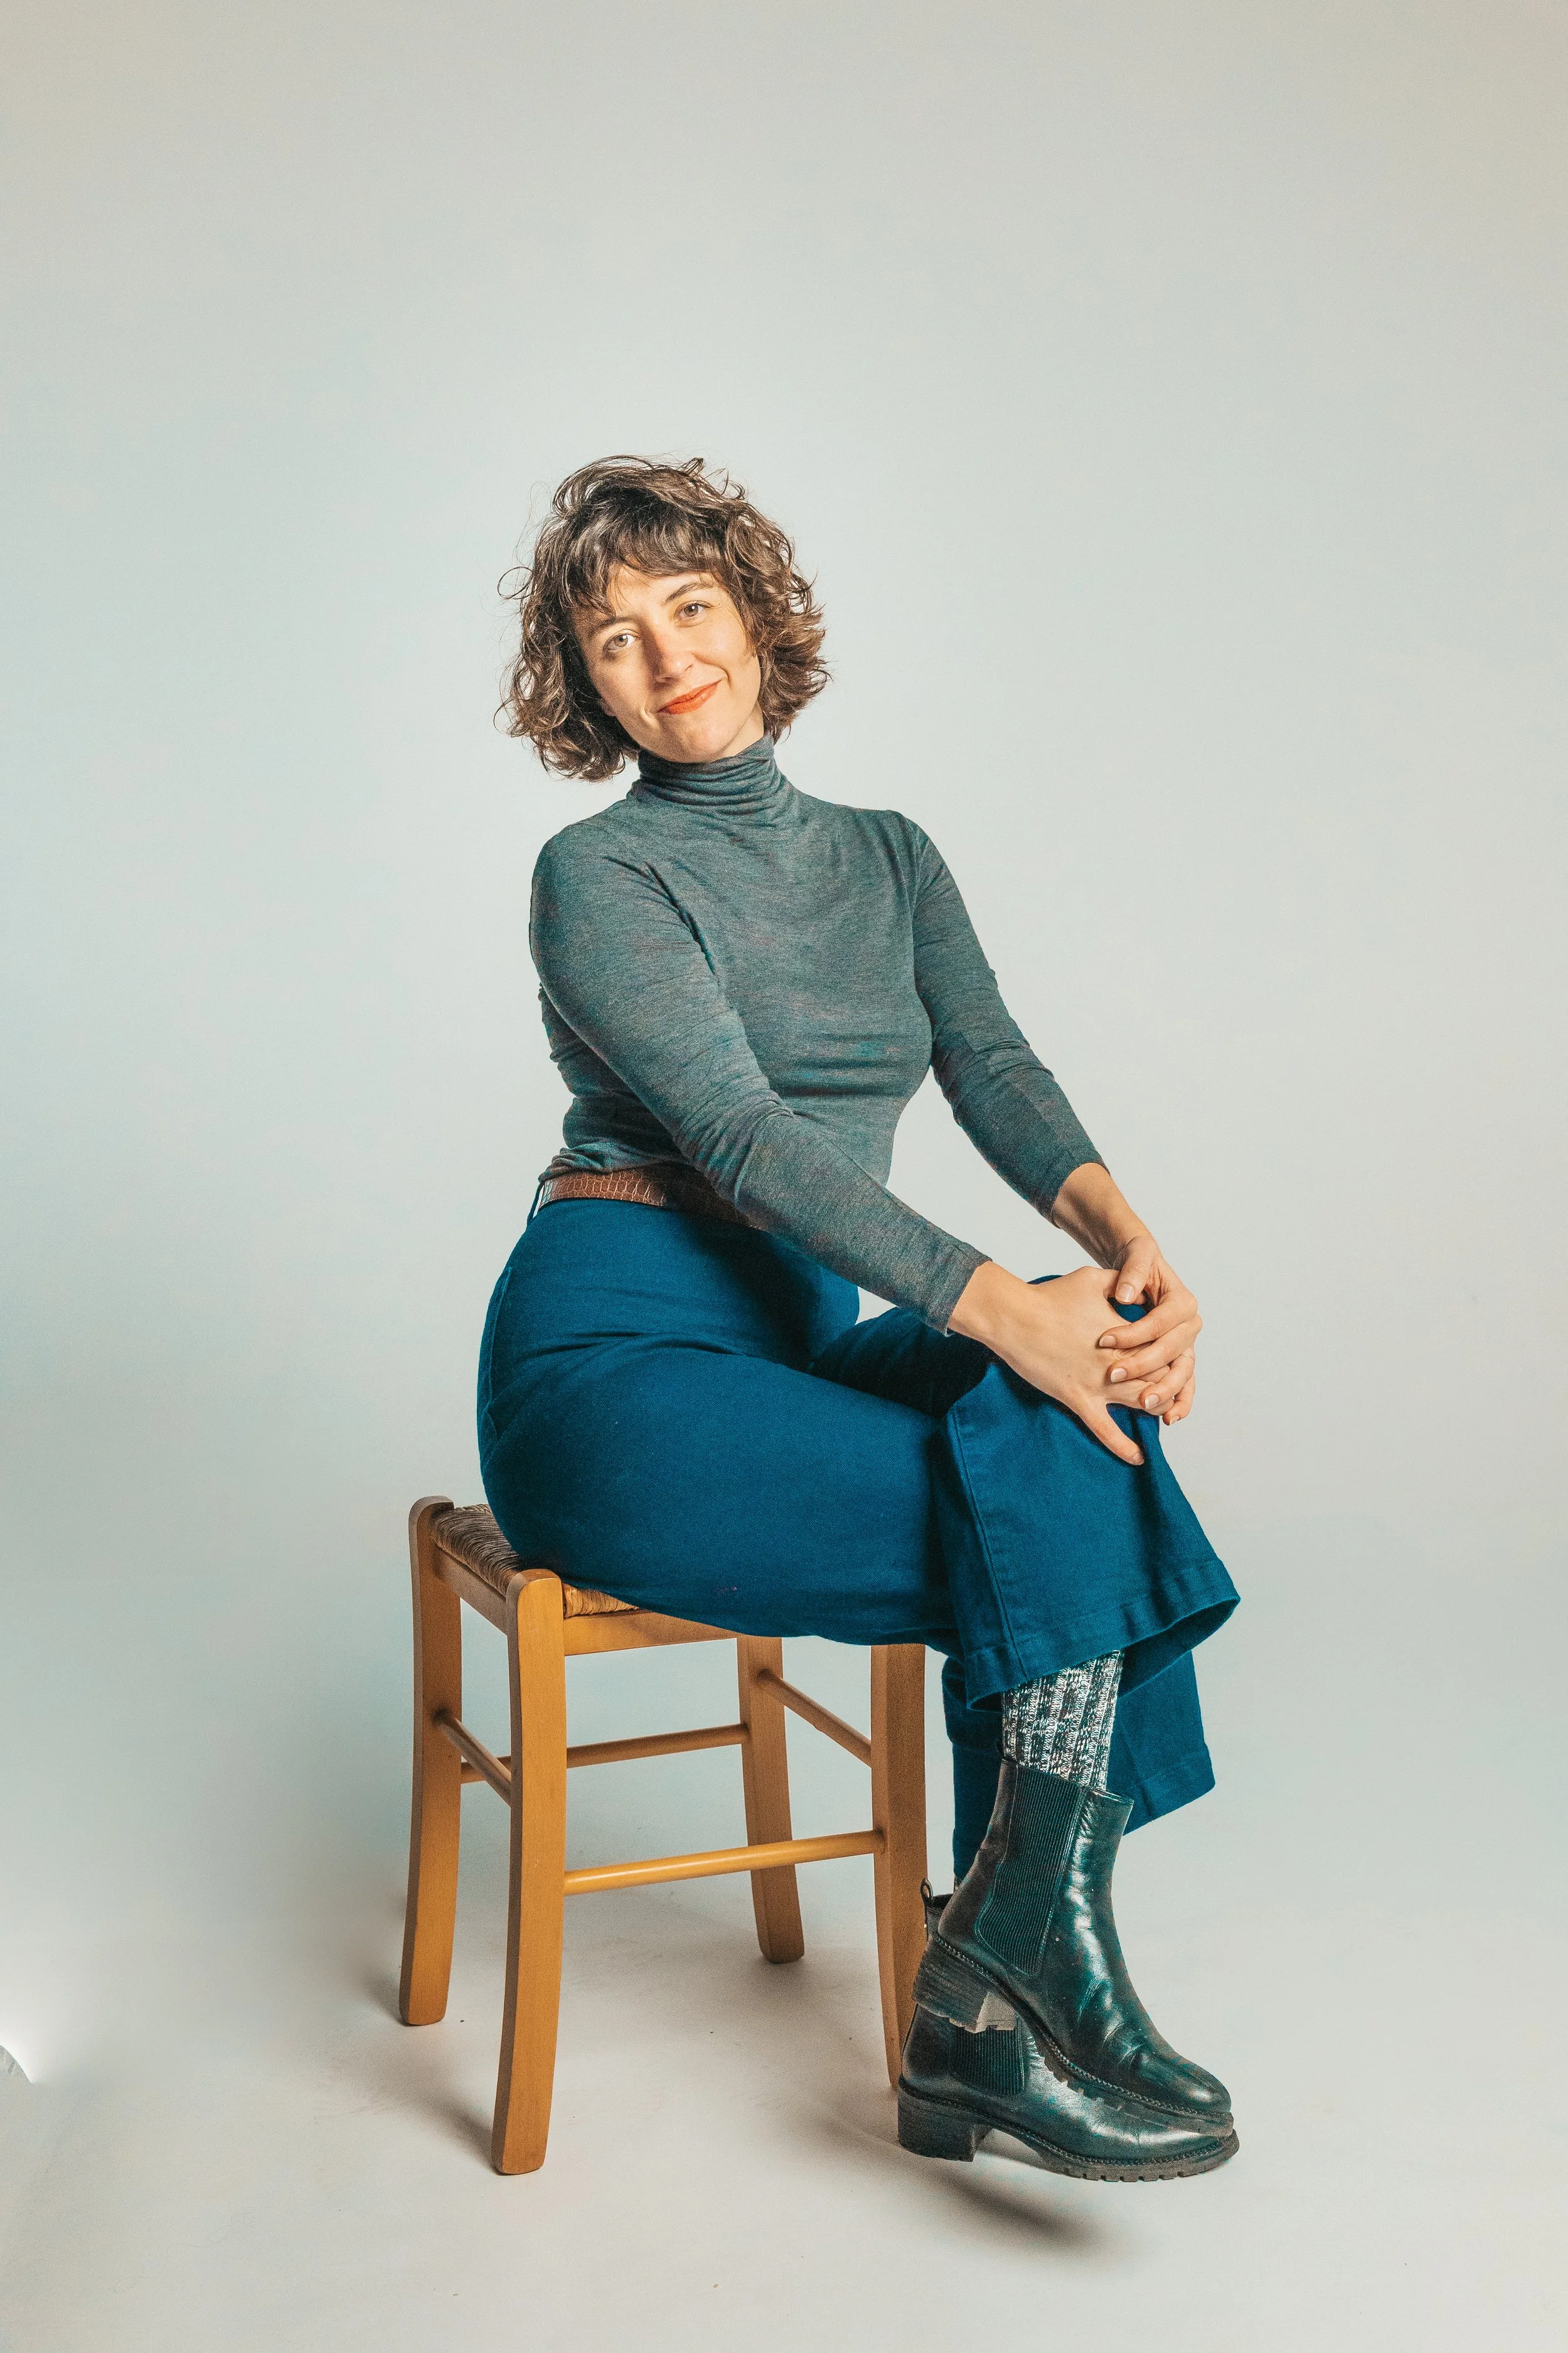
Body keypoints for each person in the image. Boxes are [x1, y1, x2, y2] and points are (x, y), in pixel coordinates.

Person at [479, 455, 1240, 2180]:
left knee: (1076, 1422)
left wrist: (1129, 1257)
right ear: (581, 684)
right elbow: (743, 1141)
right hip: (617, 1361)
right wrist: (1001, 1308)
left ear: (753, 617)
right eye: (613, 638)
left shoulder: (888, 859)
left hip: (805, 1335)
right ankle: (1003, 1987)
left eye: (687, 607)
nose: (664, 657)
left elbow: (996, 1071)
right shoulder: (594, 879)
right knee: (1036, 1477)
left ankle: (1014, 1958)